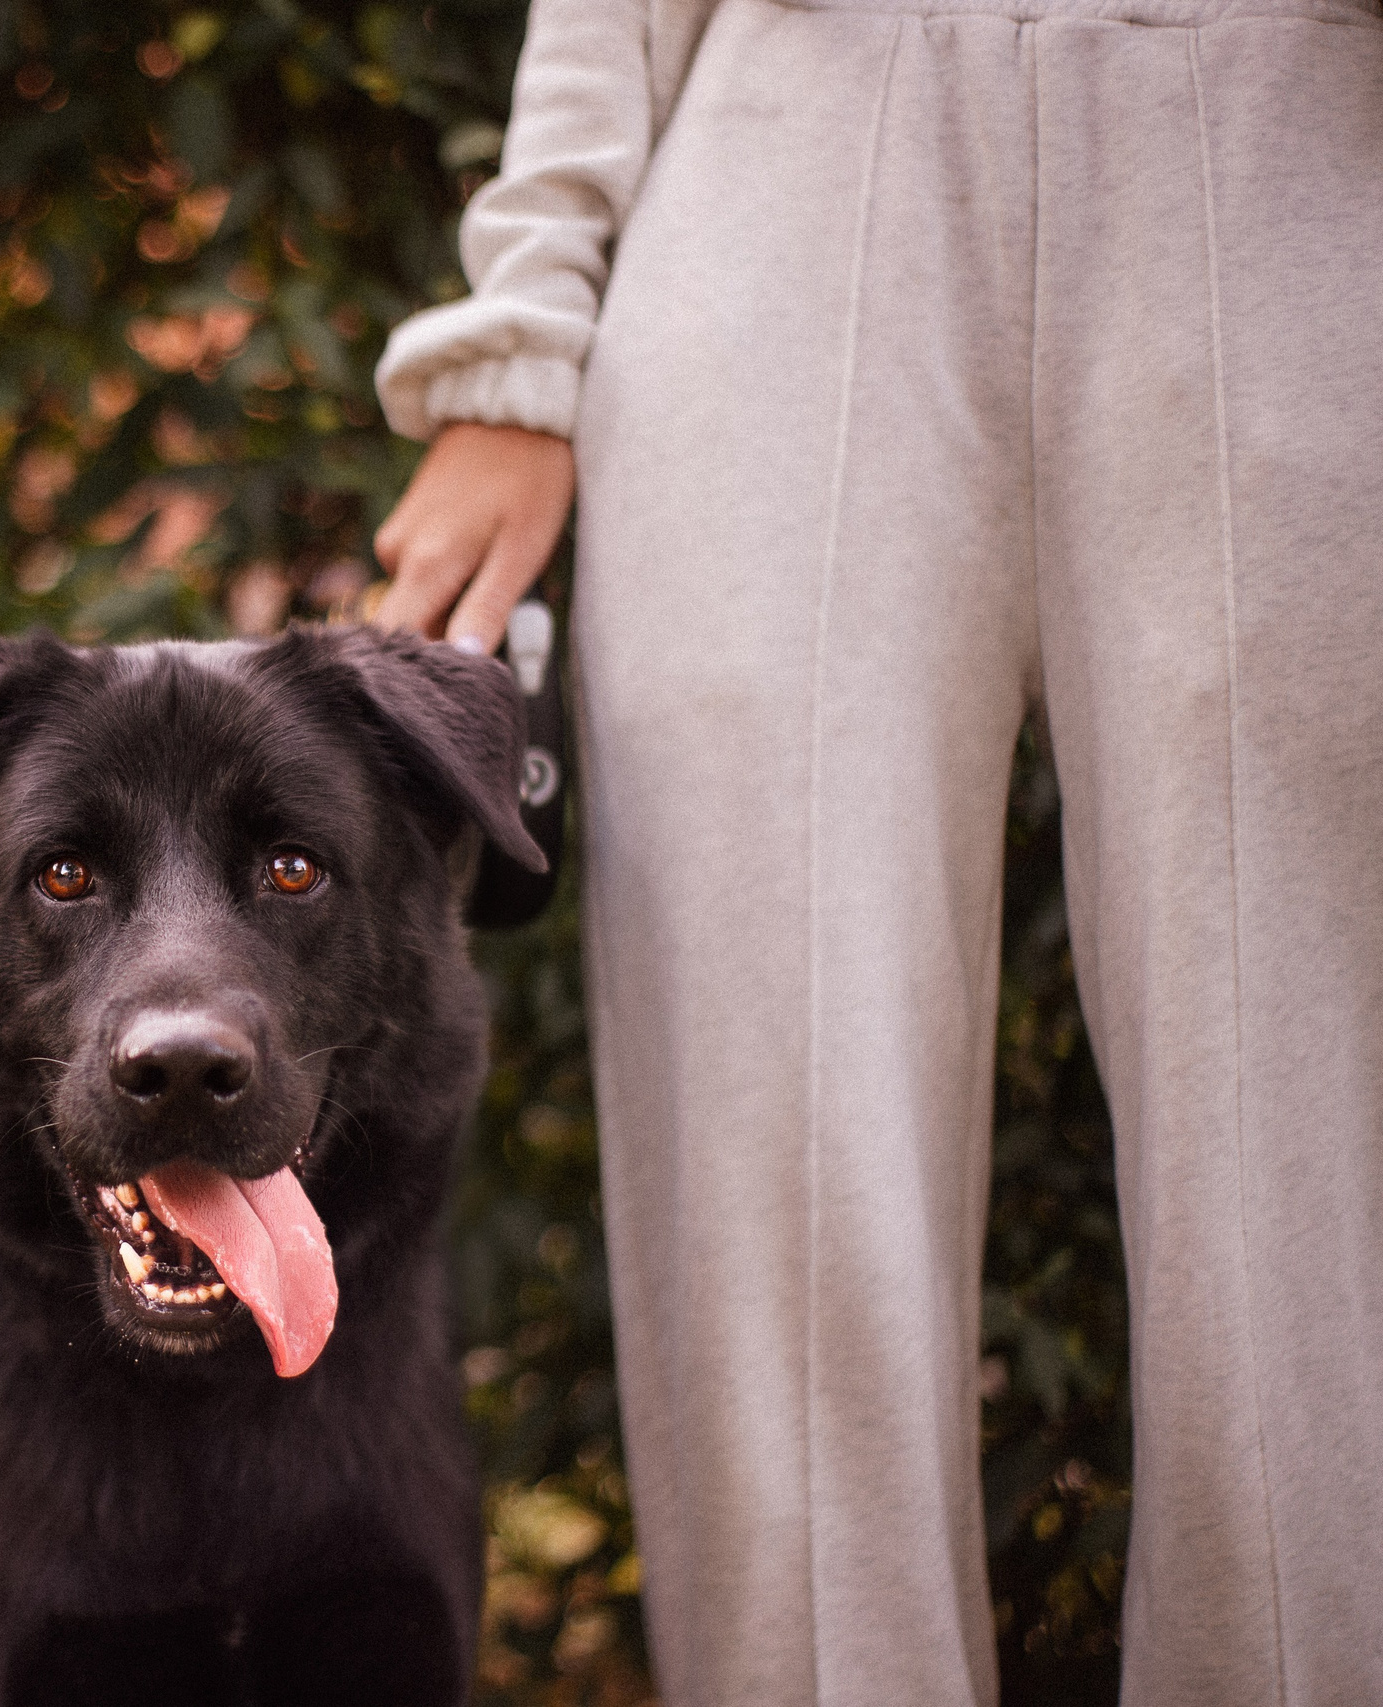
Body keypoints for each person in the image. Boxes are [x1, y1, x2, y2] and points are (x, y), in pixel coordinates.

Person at [368, 1, 1383, 1702]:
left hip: (1301, 138)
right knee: (775, 1146)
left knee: (1311, 1170)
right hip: (796, 151)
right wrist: (524, 339)